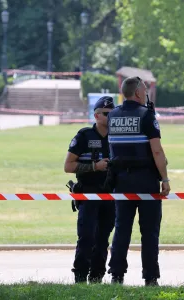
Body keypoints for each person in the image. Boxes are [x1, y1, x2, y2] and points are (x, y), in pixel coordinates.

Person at [105, 76, 170, 286]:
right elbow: (157, 151)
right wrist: (165, 178)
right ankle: (150, 277)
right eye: (144, 89)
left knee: (121, 229)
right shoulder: (147, 116)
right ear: (139, 93)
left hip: (120, 181)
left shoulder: (113, 115)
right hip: (146, 180)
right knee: (149, 232)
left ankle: (116, 275)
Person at [64, 96, 116, 284]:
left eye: (113, 114)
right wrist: (95, 167)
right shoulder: (84, 136)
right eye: (106, 114)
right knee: (86, 237)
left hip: (111, 195)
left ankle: (97, 277)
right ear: (96, 115)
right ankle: (79, 277)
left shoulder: (118, 136)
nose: (110, 118)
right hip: (88, 193)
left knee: (103, 239)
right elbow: (68, 166)